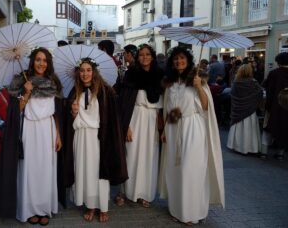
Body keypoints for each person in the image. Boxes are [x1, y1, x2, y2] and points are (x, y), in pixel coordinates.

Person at [0, 47, 63, 225]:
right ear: (33, 61)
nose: (41, 63)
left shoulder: (53, 81)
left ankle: (44, 209)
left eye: (45, 60)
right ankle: (29, 209)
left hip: (47, 130)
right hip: (29, 130)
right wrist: (26, 93)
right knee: (29, 170)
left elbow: (57, 113)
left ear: (48, 63)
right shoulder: (21, 81)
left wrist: (58, 135)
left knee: (45, 170)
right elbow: (15, 111)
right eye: (38, 59)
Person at [158, 46, 225, 225]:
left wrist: (199, 88)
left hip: (193, 129)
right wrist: (165, 129)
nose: (178, 62)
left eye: (182, 58)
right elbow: (170, 109)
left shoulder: (197, 79)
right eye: (175, 59)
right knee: (175, 171)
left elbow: (205, 107)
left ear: (188, 61)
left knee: (191, 170)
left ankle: (193, 212)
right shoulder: (170, 82)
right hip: (173, 129)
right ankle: (177, 209)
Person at [64, 57, 128, 223]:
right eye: (82, 71)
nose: (85, 74)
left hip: (98, 138)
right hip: (80, 137)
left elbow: (111, 117)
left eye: (88, 70)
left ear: (94, 72)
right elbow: (69, 119)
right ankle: (90, 205)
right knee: (84, 171)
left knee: (99, 171)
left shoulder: (105, 91)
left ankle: (103, 207)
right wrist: (72, 111)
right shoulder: (74, 91)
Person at [116, 44, 164, 208]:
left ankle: (145, 194)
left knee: (148, 157)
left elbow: (162, 105)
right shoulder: (131, 74)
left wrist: (160, 126)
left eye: (147, 54)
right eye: (141, 54)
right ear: (137, 57)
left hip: (151, 120)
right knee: (131, 155)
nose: (144, 57)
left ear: (152, 57)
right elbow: (124, 102)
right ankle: (124, 191)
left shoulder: (159, 75)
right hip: (134, 118)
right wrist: (126, 125)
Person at [227, 64, 263, 154]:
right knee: (250, 129)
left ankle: (236, 146)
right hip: (250, 110)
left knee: (238, 128)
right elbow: (260, 93)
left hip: (238, 110)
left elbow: (232, 95)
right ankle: (251, 148)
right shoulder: (253, 82)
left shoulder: (236, 82)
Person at [263, 52, 288, 160]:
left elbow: (269, 90)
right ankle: (280, 153)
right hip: (286, 107)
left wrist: (267, 106)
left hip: (274, 106)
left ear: (278, 62)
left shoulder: (273, 73)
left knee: (267, 127)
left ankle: (263, 152)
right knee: (285, 128)